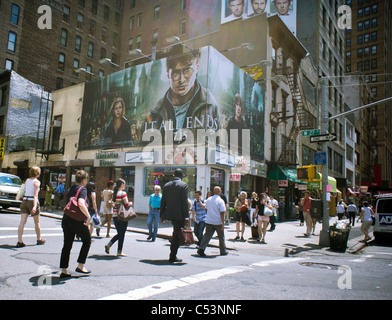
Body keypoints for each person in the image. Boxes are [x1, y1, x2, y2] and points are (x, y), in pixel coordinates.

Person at [146, 49, 221, 141]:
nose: (182, 80)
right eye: (176, 72)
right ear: (167, 73)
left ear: (197, 66)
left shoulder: (209, 104)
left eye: (187, 70)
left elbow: (218, 144)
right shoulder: (156, 110)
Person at [59, 170, 91, 278]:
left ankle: (64, 270)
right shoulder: (83, 189)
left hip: (66, 218)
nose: (86, 181)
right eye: (86, 179)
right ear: (83, 180)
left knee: (67, 244)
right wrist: (88, 216)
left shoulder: (71, 188)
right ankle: (80, 266)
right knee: (87, 240)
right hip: (76, 220)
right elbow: (81, 203)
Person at [160, 169, 189, 263]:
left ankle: (173, 254)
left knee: (176, 233)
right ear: (182, 176)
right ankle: (172, 256)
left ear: (174, 175)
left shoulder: (166, 185)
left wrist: (162, 214)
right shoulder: (183, 185)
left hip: (170, 213)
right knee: (176, 234)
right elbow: (184, 202)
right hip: (179, 214)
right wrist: (186, 216)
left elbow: (163, 201)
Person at [17, 166, 45, 248]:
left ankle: (20, 241)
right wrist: (34, 206)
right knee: (37, 222)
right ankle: (39, 239)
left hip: (25, 200)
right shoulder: (36, 182)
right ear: (37, 173)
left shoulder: (27, 181)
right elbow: (35, 195)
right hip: (32, 201)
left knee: (22, 222)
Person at [197, 186, 228, 257]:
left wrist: (199, 201)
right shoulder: (220, 201)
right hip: (218, 222)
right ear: (219, 192)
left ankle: (201, 249)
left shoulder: (209, 199)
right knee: (221, 237)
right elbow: (222, 212)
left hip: (209, 221)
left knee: (207, 236)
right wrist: (223, 223)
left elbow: (204, 207)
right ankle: (223, 250)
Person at [105, 178, 132, 257]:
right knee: (122, 233)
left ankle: (109, 245)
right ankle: (119, 251)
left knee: (120, 233)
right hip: (122, 216)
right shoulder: (123, 193)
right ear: (122, 184)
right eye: (124, 184)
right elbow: (127, 204)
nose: (125, 186)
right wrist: (130, 203)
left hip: (115, 215)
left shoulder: (115, 193)